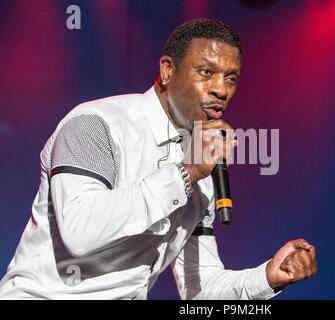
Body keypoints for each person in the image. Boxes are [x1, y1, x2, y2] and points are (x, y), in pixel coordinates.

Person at [0, 18, 317, 300]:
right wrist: (186, 172)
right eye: (206, 72)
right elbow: (81, 232)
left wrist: (267, 278)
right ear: (167, 70)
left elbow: (199, 285)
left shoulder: (199, 173)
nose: (221, 89)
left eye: (231, 78)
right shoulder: (95, 124)